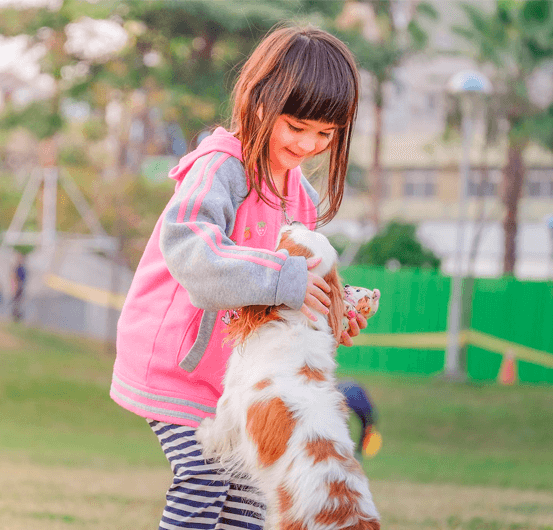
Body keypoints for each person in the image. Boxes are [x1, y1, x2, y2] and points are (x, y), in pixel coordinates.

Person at [110, 25, 365, 530]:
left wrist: (332, 309)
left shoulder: (301, 200)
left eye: (325, 134)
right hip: (180, 366)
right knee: (204, 477)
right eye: (297, 126)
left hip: (243, 376)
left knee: (252, 494)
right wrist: (288, 280)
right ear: (259, 99)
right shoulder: (220, 167)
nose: (309, 144)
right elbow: (193, 254)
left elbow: (292, 287)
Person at [337, 379, 380, 460]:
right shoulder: (364, 408)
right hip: (346, 395)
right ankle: (355, 453)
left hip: (347, 392)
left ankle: (356, 453)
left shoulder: (365, 410)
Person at [11, 255, 26, 321]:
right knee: (16, 302)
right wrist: (15, 286)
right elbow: (14, 278)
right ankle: (15, 316)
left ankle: (17, 316)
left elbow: (23, 279)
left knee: (19, 302)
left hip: (20, 287)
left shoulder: (22, 268)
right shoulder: (18, 268)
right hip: (17, 287)